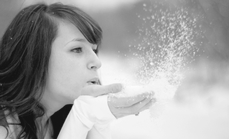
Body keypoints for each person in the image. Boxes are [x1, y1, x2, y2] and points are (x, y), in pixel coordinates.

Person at [0, 2, 156, 139]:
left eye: (94, 50)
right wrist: (84, 115)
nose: (96, 62)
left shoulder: (56, 123)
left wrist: (99, 120)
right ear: (33, 58)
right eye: (77, 49)